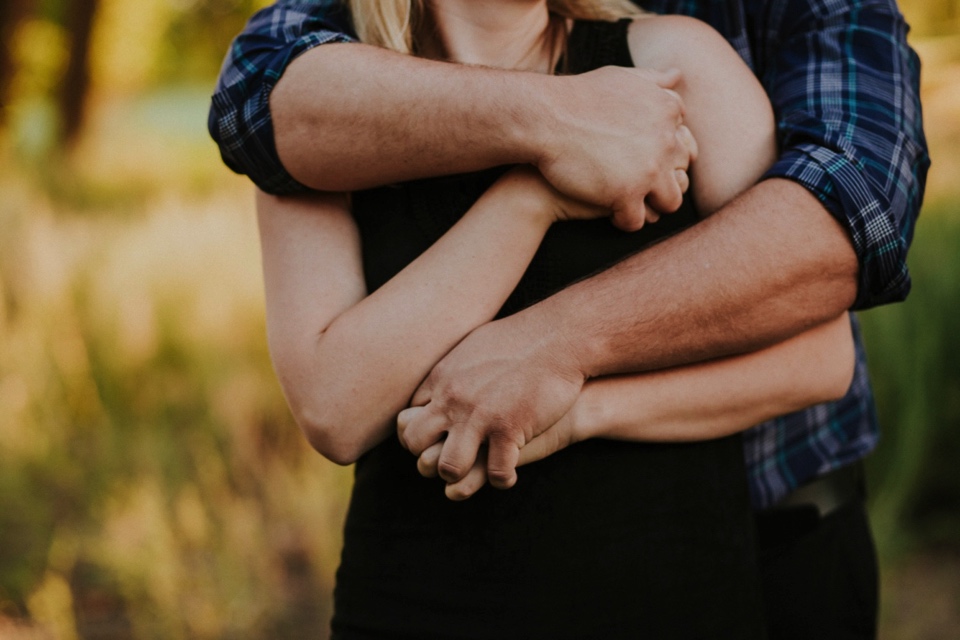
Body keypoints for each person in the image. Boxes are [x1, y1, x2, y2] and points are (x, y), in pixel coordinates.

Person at [209, 0, 929, 637]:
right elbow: (335, 407)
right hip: (421, 600)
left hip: (683, 585)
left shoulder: (675, 63)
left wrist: (574, 397)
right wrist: (534, 193)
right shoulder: (333, 92)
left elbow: (823, 343)